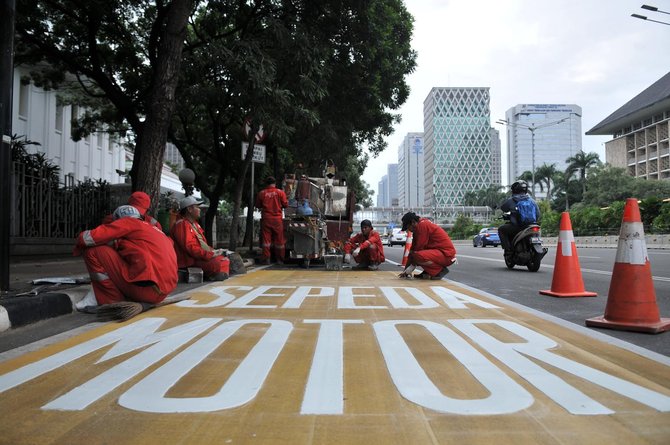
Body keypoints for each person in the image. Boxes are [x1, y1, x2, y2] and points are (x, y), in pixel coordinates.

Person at [73, 205, 178, 307]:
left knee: (93, 251)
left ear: (118, 220)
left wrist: (79, 242)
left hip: (146, 291)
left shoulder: (129, 222)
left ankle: (111, 299)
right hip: (162, 293)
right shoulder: (154, 229)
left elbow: (88, 238)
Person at [171, 196, 230, 281]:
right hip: (191, 260)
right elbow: (190, 248)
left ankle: (216, 273)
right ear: (189, 209)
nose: (200, 209)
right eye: (197, 207)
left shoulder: (194, 224)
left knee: (225, 258)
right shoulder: (181, 225)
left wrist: (214, 252)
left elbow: (203, 244)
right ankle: (214, 274)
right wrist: (210, 255)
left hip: (200, 256)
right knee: (217, 263)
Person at [398, 211, 456, 280]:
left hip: (446, 255)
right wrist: (405, 271)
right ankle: (428, 272)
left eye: (408, 227)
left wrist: (409, 270)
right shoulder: (418, 228)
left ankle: (439, 271)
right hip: (440, 254)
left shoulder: (422, 226)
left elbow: (417, 251)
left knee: (418, 256)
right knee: (415, 255)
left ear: (413, 222)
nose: (408, 230)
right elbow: (412, 251)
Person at [498, 181, 541, 255]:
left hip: (517, 227)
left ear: (514, 190)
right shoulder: (532, 201)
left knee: (501, 229)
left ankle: (508, 250)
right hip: (531, 226)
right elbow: (538, 214)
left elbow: (503, 208)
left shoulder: (511, 200)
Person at [255, 176, 288, 264]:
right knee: (279, 240)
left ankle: (267, 259)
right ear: (275, 183)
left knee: (266, 241)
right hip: (277, 219)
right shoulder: (280, 192)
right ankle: (280, 259)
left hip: (266, 219)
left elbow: (258, 205)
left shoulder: (262, 193)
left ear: (266, 183)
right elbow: (285, 204)